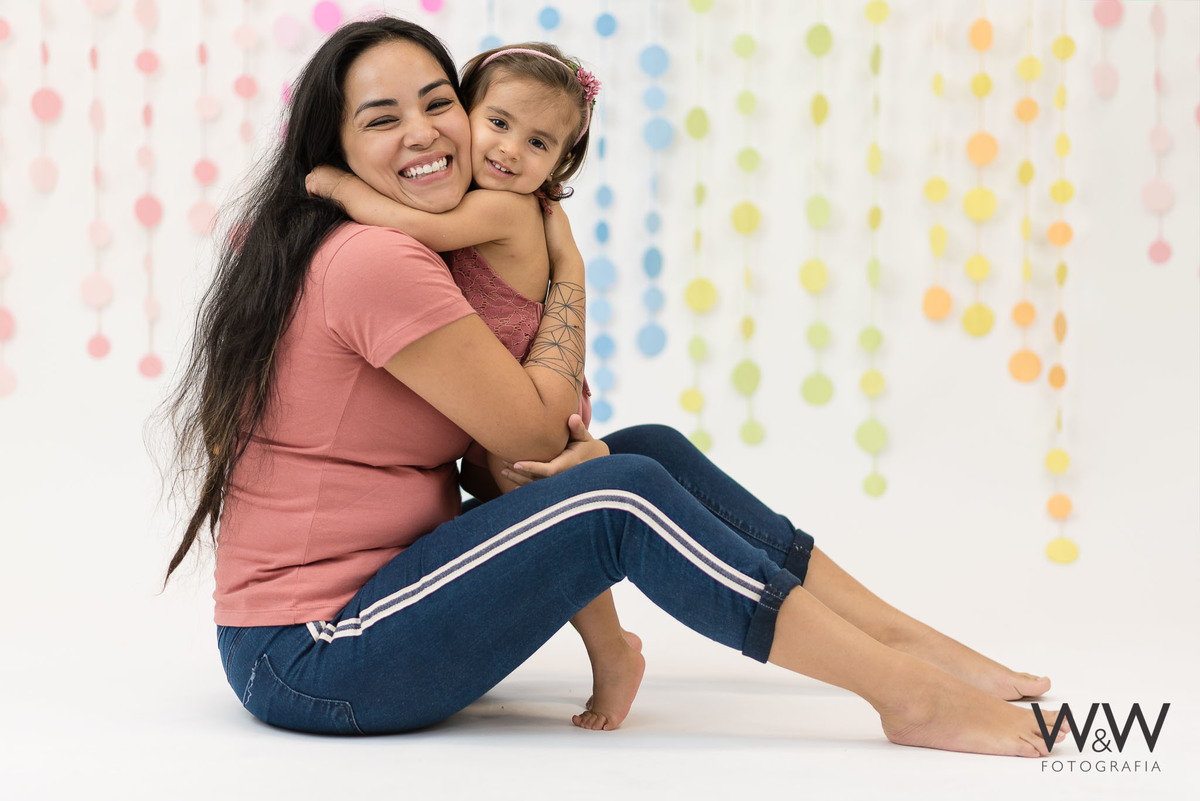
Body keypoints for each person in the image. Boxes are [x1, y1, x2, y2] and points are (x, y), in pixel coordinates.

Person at [164, 16, 1062, 756]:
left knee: (648, 451)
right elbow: (532, 422)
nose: (424, 133)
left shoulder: (413, 248)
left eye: (439, 102)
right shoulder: (374, 259)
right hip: (313, 654)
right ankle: (907, 694)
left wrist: (537, 453)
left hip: (386, 597)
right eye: (381, 118)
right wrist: (569, 273)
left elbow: (492, 452)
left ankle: (910, 642)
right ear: (336, 146)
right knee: (620, 496)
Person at [304, 41, 643, 730]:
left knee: (554, 524)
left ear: (561, 162)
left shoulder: (508, 209)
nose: (512, 150)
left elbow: (412, 224)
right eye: (498, 123)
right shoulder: (485, 197)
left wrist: (337, 184)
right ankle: (611, 645)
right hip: (502, 397)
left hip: (531, 401)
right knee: (521, 516)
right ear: (468, 113)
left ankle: (612, 649)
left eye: (539, 142)